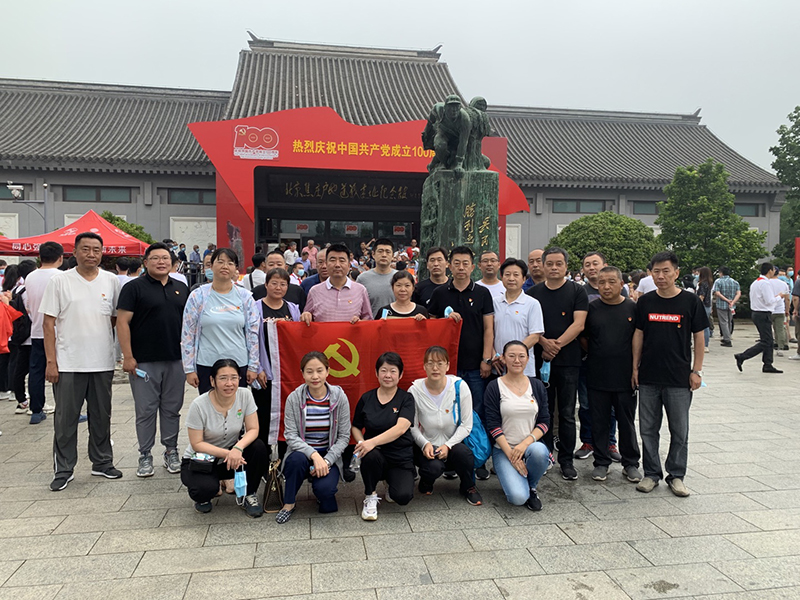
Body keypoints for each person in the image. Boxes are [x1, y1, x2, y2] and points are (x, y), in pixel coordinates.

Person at [41, 232, 123, 491]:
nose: (91, 254)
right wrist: (51, 362)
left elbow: (114, 318)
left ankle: (102, 462)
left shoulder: (111, 281)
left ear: (102, 253)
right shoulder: (60, 281)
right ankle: (64, 469)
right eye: (85, 249)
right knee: (65, 420)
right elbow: (48, 324)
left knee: (102, 416)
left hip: (102, 361)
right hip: (68, 363)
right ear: (74, 252)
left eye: (96, 250)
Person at [633, 251, 708, 497]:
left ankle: (676, 475)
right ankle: (651, 474)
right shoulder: (645, 302)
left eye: (666, 271)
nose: (661, 276)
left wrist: (697, 370)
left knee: (679, 430)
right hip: (649, 376)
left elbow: (699, 336)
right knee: (648, 429)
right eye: (656, 271)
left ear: (676, 272)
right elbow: (638, 334)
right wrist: (635, 367)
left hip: (679, 377)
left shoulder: (690, 301)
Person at [117, 243, 189, 478]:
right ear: (145, 262)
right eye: (155, 258)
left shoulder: (181, 288)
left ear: (172, 263)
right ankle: (145, 454)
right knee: (146, 410)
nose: (161, 262)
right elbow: (122, 322)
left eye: (165, 258)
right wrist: (128, 356)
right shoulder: (133, 288)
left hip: (176, 359)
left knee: (172, 409)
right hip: (143, 362)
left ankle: (171, 450)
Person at [428, 246, 494, 480]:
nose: (461, 267)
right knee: (449, 413)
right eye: (456, 263)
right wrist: (444, 320)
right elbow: (431, 326)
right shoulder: (439, 293)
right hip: (447, 367)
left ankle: (478, 458)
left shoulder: (483, 293)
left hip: (475, 365)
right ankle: (451, 460)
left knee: (475, 412)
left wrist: (486, 359)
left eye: (466, 263)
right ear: (450, 266)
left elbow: (489, 329)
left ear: (473, 267)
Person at [526, 247, 588, 480]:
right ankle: (545, 456)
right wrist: (543, 342)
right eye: (549, 263)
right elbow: (529, 324)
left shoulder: (577, 291)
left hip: (568, 361)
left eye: (558, 263)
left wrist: (556, 345)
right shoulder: (533, 293)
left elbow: (579, 324)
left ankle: (566, 460)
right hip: (539, 360)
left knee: (567, 412)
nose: (553, 268)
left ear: (566, 266)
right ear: (543, 265)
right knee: (543, 411)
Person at [180, 359, 267, 517]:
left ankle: (249, 494)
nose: (229, 383)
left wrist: (237, 448)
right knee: (204, 490)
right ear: (212, 380)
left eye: (234, 378)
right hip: (202, 459)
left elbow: (253, 429)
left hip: (231, 457)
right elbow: (197, 443)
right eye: (223, 378)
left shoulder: (245, 395)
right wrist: (229, 453)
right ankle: (207, 491)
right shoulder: (199, 405)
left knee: (258, 447)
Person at [580, 266, 642, 483]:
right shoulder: (591, 309)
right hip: (597, 373)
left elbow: (640, 338)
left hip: (625, 376)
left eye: (611, 282)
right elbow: (584, 338)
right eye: (602, 282)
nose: (606, 286)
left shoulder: (632, 308)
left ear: (621, 284)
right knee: (599, 420)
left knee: (626, 421)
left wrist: (635, 368)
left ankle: (630, 463)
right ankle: (601, 462)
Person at [276, 352, 352, 524]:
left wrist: (326, 461)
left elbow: (344, 437)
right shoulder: (294, 398)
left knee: (327, 499)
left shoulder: (339, 397)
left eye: (319, 370)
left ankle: (321, 490)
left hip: (328, 453)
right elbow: (290, 436)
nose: (315, 376)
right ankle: (288, 503)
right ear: (302, 374)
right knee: (295, 461)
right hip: (303, 452)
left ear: (328, 371)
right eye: (309, 372)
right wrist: (314, 455)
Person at [181, 248, 261, 395]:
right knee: (209, 406)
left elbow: (253, 334)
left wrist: (253, 366)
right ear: (211, 266)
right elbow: (188, 334)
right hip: (207, 364)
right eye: (220, 262)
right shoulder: (198, 296)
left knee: (237, 406)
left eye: (230, 263)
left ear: (235, 269)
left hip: (238, 364)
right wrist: (189, 369)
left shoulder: (245, 297)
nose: (225, 266)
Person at [409, 346, 482, 505]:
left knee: (463, 454)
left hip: (454, 443)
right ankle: (426, 481)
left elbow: (466, 424)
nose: (435, 368)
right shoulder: (415, 390)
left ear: (448, 366)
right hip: (429, 445)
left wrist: (448, 445)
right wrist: (424, 444)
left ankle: (468, 486)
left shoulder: (460, 386)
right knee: (432, 468)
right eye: (430, 363)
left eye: (440, 363)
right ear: (424, 366)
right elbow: (412, 426)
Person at [484, 340, 550, 510]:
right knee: (517, 498)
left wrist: (523, 445)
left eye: (521, 356)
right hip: (503, 450)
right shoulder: (494, 386)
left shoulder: (536, 385)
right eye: (511, 356)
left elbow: (544, 422)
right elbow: (493, 425)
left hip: (529, 446)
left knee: (539, 451)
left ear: (528, 359)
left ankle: (532, 487)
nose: (517, 360)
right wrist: (512, 455)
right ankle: (518, 482)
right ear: (504, 359)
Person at [574, 251, 626, 461]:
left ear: (604, 265)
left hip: (615, 362)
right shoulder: (579, 292)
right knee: (586, 403)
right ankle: (588, 440)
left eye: (595, 263)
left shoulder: (621, 293)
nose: (591, 267)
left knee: (612, 405)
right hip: (587, 359)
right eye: (587, 264)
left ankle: (610, 443)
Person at [352, 352, 416, 520]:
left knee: (402, 497)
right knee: (369, 454)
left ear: (400, 374)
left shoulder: (406, 398)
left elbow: (401, 428)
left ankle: (390, 482)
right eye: (384, 370)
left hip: (400, 457)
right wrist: (362, 442)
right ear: (376, 373)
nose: (388, 375)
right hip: (375, 455)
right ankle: (370, 495)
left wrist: (372, 442)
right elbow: (356, 426)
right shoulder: (366, 398)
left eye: (393, 371)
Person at [252, 267, 300, 448]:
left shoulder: (293, 309)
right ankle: (263, 455)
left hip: (286, 373)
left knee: (288, 414)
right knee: (263, 415)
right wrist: (257, 368)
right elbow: (251, 340)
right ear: (266, 285)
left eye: (283, 284)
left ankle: (284, 454)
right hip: (265, 372)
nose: (278, 288)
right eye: (274, 283)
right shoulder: (255, 308)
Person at [25, 241, 63, 424]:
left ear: (39, 257)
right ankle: (64, 408)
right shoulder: (62, 277)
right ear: (61, 258)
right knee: (62, 371)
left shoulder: (30, 277)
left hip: (37, 330)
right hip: (57, 332)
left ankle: (36, 410)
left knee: (36, 372)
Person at [491, 258, 543, 377]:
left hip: (523, 368)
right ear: (501, 277)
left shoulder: (532, 304)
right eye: (507, 274)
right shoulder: (494, 302)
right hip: (498, 366)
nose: (511, 279)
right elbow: (489, 332)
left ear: (524, 279)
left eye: (516, 275)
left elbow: (534, 336)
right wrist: (495, 356)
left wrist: (511, 356)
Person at [301, 243, 372, 325]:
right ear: (326, 264)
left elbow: (369, 320)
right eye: (332, 260)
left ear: (349, 265)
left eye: (342, 260)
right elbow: (307, 320)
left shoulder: (360, 290)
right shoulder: (314, 291)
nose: (337, 265)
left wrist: (360, 323)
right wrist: (306, 315)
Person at [735, 263, 783, 374]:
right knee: (766, 341)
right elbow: (769, 301)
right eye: (773, 270)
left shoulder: (756, 282)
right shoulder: (765, 284)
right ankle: (743, 356)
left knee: (768, 340)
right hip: (763, 313)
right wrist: (779, 297)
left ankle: (768, 364)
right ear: (770, 270)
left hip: (757, 313)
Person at [357, 238, 397, 316]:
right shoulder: (362, 278)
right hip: (371, 323)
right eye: (380, 251)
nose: (384, 255)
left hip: (396, 322)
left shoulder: (401, 278)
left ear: (392, 256)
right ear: (373, 254)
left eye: (388, 252)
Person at [712, 266, 740, 347]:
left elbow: (717, 293)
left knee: (723, 322)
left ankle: (727, 339)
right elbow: (738, 293)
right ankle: (728, 336)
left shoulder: (718, 281)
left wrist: (726, 300)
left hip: (721, 304)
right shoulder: (734, 282)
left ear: (721, 273)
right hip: (731, 305)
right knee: (729, 321)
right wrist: (732, 302)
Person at [768, 266, 791, 354]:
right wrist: (787, 309)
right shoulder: (784, 284)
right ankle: (781, 347)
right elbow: (787, 299)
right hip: (780, 309)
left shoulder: (766, 283)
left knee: (769, 329)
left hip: (768, 309)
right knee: (780, 329)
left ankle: (770, 345)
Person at [695, 267, 714, 353]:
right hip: (708, 306)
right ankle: (704, 344)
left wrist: (696, 305)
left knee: (703, 327)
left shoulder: (702, 283)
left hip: (703, 306)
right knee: (705, 325)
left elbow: (701, 296)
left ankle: (704, 345)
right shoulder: (709, 283)